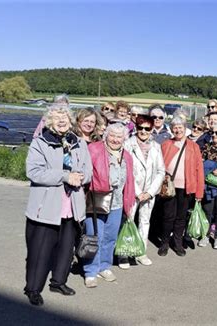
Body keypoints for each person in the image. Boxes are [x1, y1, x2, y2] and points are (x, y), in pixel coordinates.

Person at [24, 104, 92, 306]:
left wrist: (81, 177)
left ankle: (58, 282)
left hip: (72, 206)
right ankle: (33, 288)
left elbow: (88, 170)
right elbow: (34, 172)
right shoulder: (40, 143)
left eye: (65, 117)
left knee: (66, 249)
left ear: (71, 121)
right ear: (49, 121)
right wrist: (65, 176)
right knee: (40, 251)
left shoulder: (79, 142)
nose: (62, 121)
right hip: (47, 207)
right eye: (57, 117)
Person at [83, 123, 136, 288]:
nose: (115, 139)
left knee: (110, 238)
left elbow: (130, 181)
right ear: (106, 135)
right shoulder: (94, 149)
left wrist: (130, 205)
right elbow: (86, 174)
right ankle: (90, 271)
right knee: (93, 237)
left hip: (117, 202)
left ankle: (104, 266)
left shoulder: (126, 155)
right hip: (97, 200)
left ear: (124, 139)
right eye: (112, 135)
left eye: (119, 136)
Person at [122, 115, 166, 267]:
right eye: (140, 127)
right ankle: (124, 253)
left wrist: (150, 191)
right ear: (136, 127)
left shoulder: (156, 146)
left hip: (149, 192)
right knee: (128, 220)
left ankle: (141, 251)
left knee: (145, 221)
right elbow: (125, 171)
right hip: (131, 191)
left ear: (152, 129)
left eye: (147, 128)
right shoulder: (127, 145)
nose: (143, 131)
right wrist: (137, 192)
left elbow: (161, 171)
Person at [159, 117, 204, 257]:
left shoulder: (193, 146)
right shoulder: (166, 144)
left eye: (180, 127)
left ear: (185, 128)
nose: (178, 130)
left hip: (186, 186)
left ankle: (177, 242)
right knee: (168, 216)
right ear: (172, 129)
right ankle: (165, 242)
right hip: (169, 186)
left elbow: (199, 169)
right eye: (175, 127)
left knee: (181, 216)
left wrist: (199, 192)